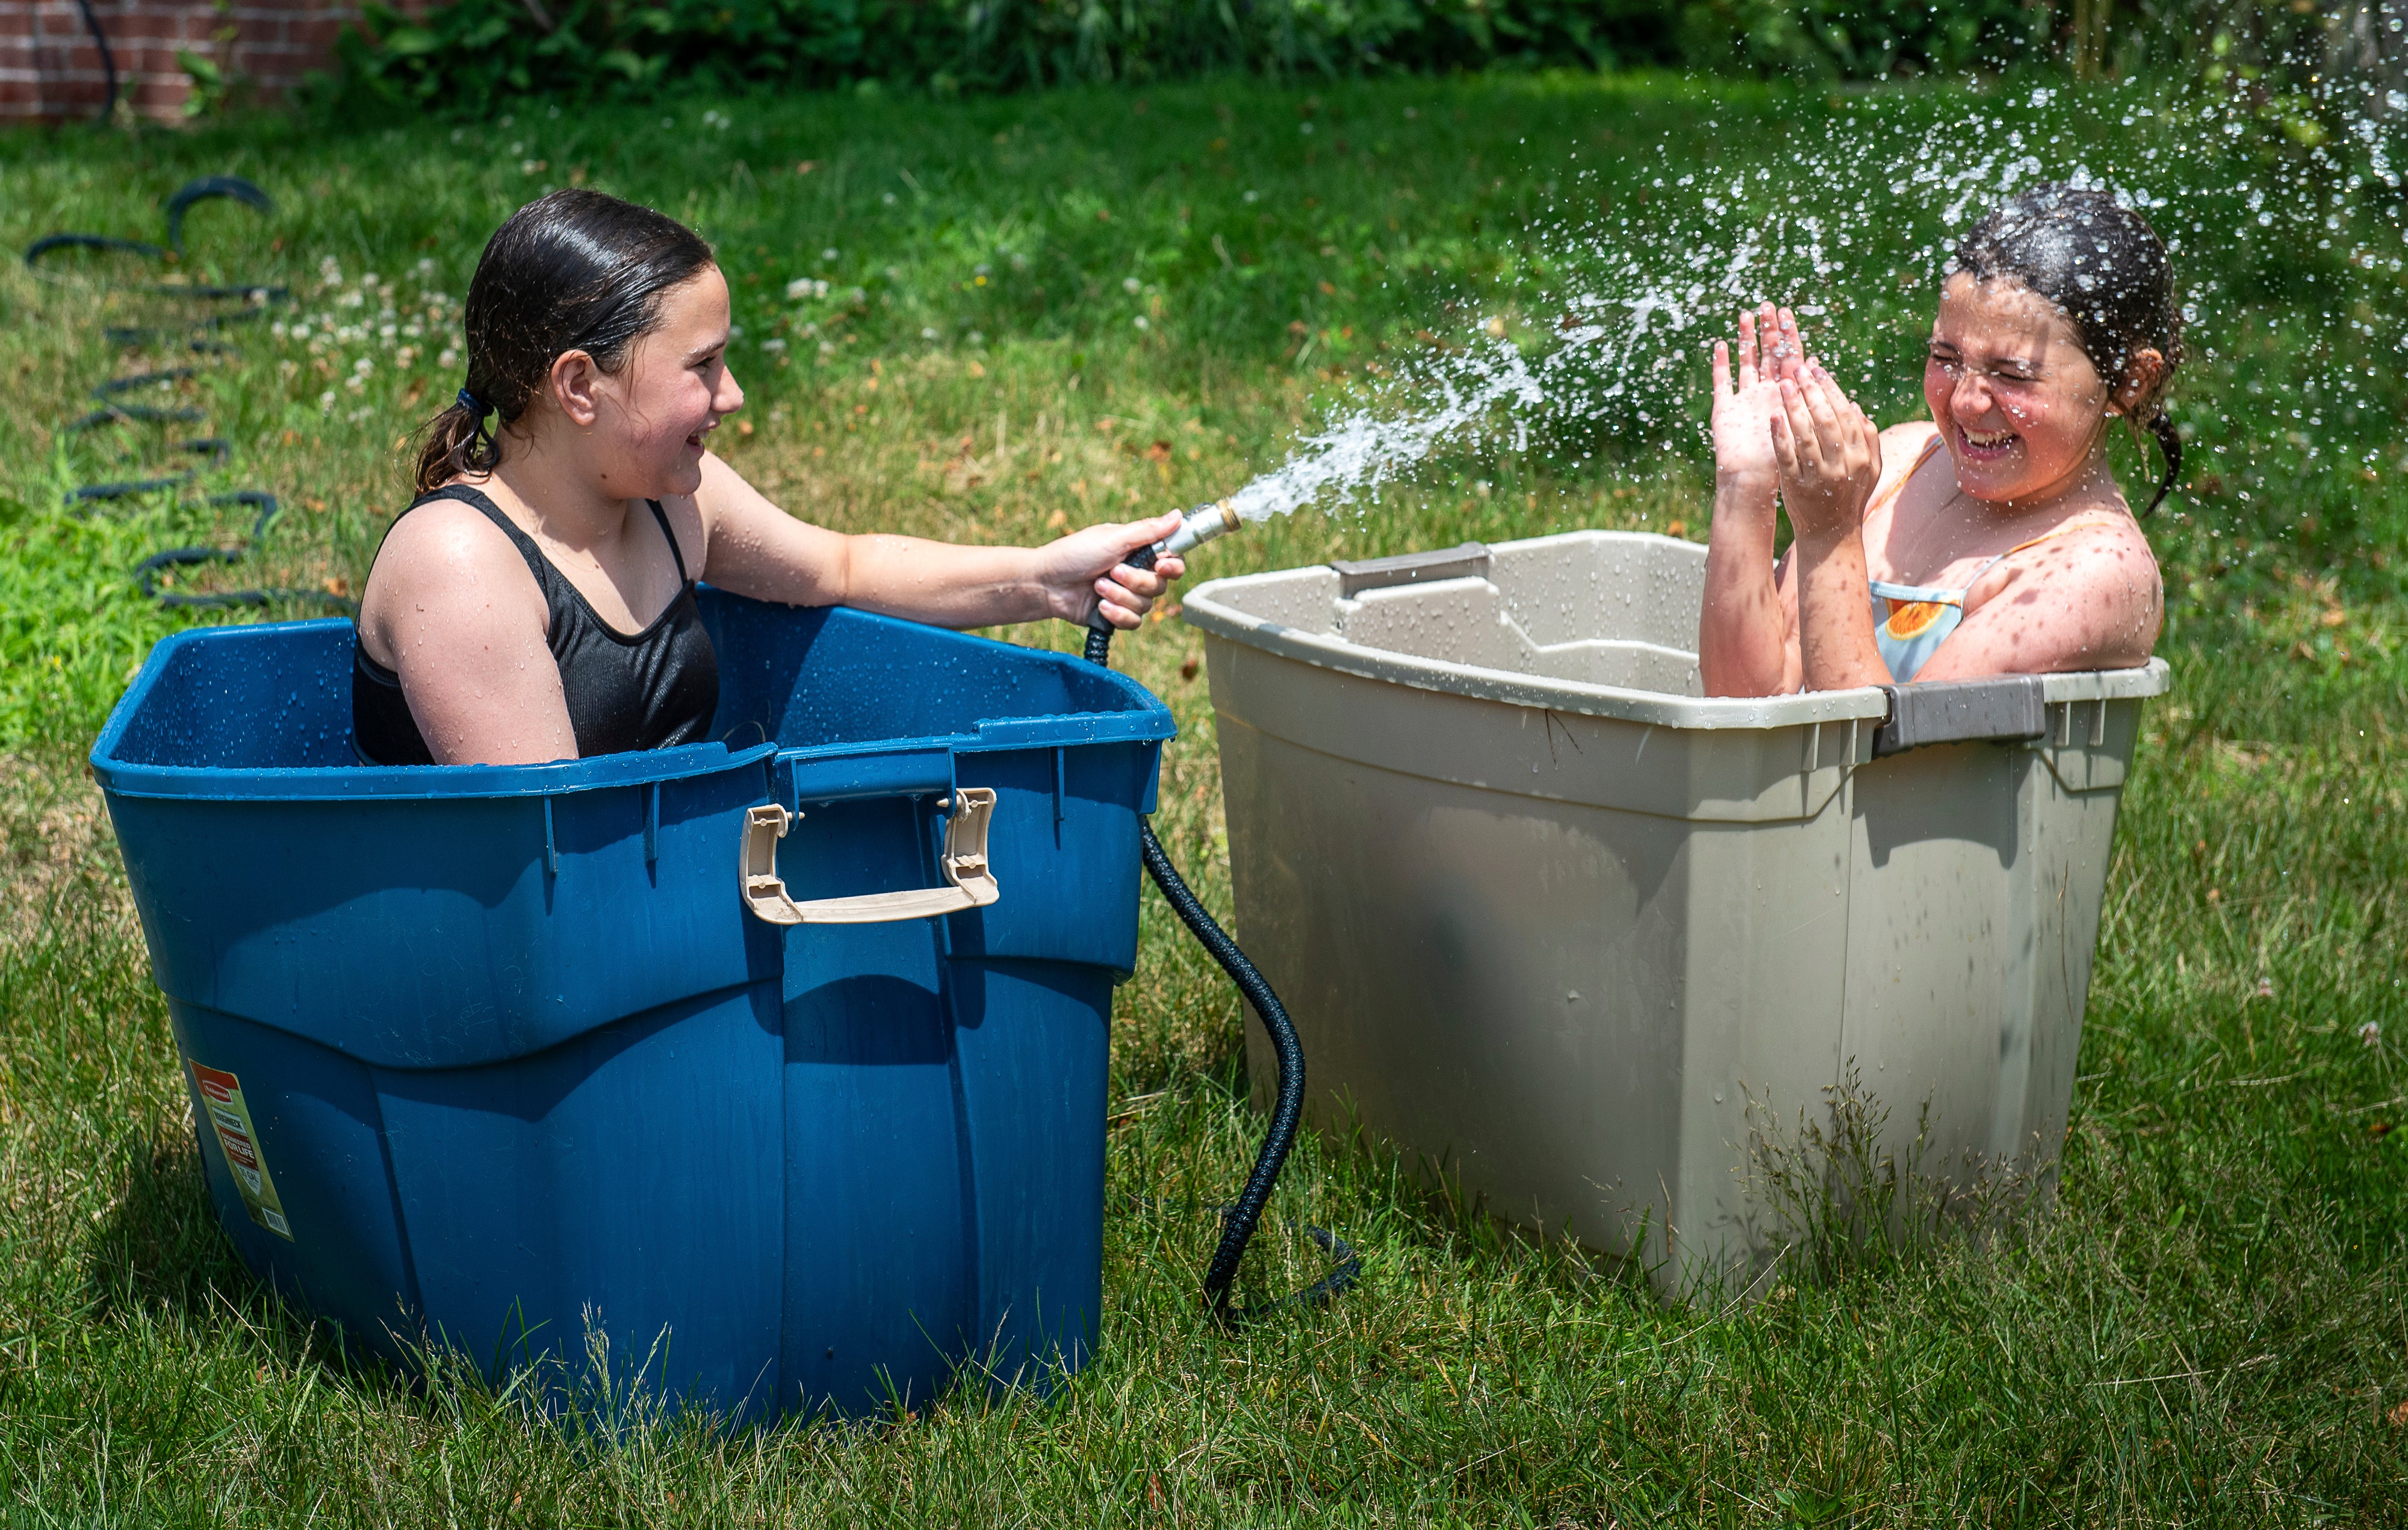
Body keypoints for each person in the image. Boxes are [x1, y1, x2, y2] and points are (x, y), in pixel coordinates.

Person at [353, 189, 1184, 766]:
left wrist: (1045, 579)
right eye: (703, 365)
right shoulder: (461, 564)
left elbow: (844, 568)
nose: (735, 394)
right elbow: (549, 848)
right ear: (578, 387)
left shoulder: (674, 505)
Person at [1696, 184, 2178, 696]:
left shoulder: (2095, 573)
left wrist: (1830, 537)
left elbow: (1881, 761)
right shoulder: (1900, 464)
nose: (1965, 401)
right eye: (1946, 358)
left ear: (2129, 381)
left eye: (2012, 375)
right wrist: (1745, 488)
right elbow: (1741, 704)